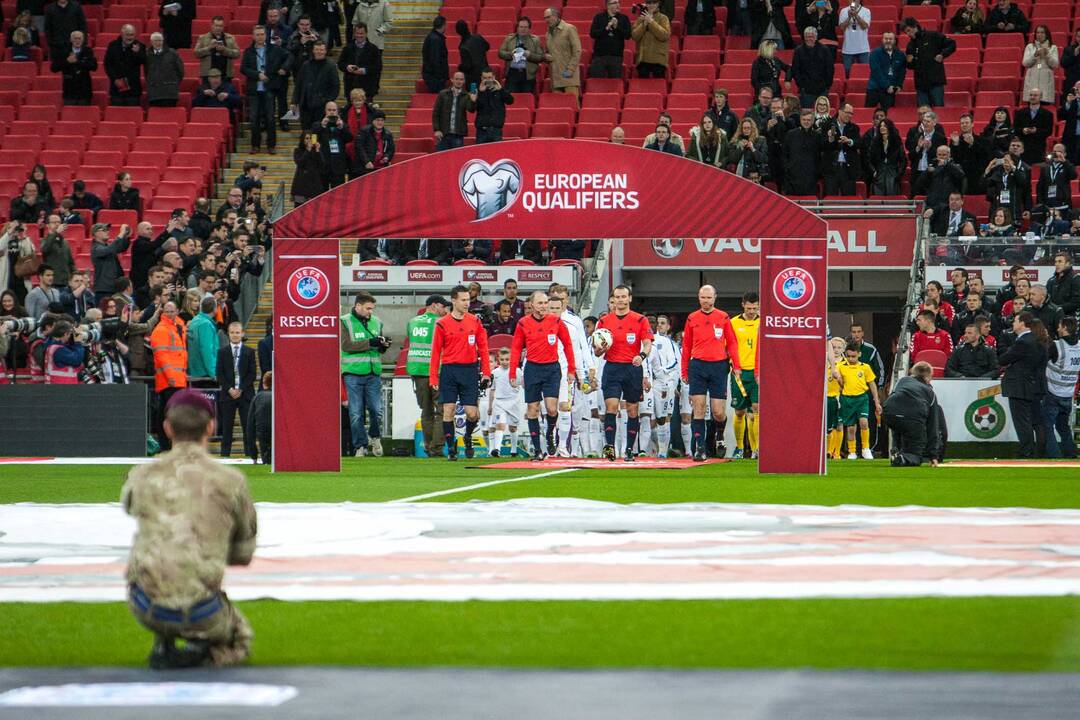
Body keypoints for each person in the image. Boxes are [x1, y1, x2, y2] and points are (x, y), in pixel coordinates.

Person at [123, 389, 256, 669]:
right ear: (211, 427)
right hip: (201, 610)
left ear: (167, 428)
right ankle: (204, 655)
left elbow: (130, 507)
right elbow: (243, 553)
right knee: (240, 637)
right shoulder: (230, 481)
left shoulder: (142, 474)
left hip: (143, 603)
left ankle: (165, 641)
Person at [509, 291, 576, 460]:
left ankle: (549, 433)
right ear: (531, 305)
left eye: (545, 303)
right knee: (533, 409)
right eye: (540, 303)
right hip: (532, 368)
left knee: (552, 409)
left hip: (552, 368)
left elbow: (568, 345)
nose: (544, 306)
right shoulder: (523, 323)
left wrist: (571, 369)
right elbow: (516, 348)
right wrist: (512, 371)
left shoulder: (556, 321)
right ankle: (538, 450)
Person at [430, 285, 492, 461]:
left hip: (469, 370)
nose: (467, 303)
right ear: (454, 300)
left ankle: (467, 437)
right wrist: (434, 376)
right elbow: (435, 352)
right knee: (448, 410)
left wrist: (486, 372)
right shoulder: (442, 323)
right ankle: (451, 449)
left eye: (468, 299)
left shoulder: (475, 321)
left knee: (472, 413)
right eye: (463, 300)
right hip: (449, 370)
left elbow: (484, 348)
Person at [680, 284, 739, 461]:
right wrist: (685, 370)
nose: (705, 301)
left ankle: (719, 437)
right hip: (697, 366)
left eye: (709, 298)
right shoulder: (692, 318)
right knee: (699, 408)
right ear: (699, 298)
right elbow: (687, 346)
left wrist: (737, 365)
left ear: (715, 298)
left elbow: (732, 342)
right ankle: (700, 448)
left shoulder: (723, 317)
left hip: (718, 366)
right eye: (702, 298)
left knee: (718, 411)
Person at [596, 284, 653, 462]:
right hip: (612, 368)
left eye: (623, 297)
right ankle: (610, 447)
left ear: (629, 298)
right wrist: (599, 349)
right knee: (611, 407)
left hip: (632, 369)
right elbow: (597, 350)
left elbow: (647, 343)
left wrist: (641, 356)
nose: (620, 300)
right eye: (617, 297)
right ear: (613, 300)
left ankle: (629, 449)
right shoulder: (605, 321)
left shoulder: (640, 320)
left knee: (633, 410)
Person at [340, 291, 389, 457]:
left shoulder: (377, 322)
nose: (371, 312)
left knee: (377, 410)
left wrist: (383, 345)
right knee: (355, 413)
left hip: (373, 373)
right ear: (358, 306)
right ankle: (360, 446)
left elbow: (378, 347)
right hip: (352, 374)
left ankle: (375, 437)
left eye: (372, 308)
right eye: (368, 308)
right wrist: (370, 343)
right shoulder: (344, 322)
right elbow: (346, 345)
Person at [999, 312, 1045, 458]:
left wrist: (1007, 354)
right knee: (1035, 420)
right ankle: (1037, 451)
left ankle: (1026, 451)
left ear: (1023, 323)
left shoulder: (1023, 342)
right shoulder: (1038, 340)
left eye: (1015, 321)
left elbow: (1004, 359)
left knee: (1022, 421)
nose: (1013, 323)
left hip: (1019, 386)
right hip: (1032, 385)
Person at [406, 295, 447, 457]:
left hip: (417, 371)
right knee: (441, 410)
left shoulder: (413, 321)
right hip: (436, 371)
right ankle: (437, 448)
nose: (445, 310)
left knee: (426, 410)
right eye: (443, 307)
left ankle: (428, 447)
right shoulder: (441, 323)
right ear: (435, 306)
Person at [241, 25, 290, 154]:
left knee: (270, 118)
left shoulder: (274, 49)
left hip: (269, 88)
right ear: (253, 36)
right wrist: (257, 75)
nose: (260, 37)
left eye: (262, 34)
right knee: (254, 118)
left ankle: (271, 145)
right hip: (254, 90)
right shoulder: (248, 51)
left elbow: (290, 57)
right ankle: (255, 145)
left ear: (266, 35)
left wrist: (284, 68)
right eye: (257, 34)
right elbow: (243, 69)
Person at [882, 361, 940, 467]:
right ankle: (903, 458)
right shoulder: (930, 393)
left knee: (898, 424)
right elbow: (933, 426)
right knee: (916, 455)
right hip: (913, 416)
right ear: (927, 377)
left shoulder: (902, 381)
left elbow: (894, 398)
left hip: (889, 412)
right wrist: (933, 455)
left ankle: (897, 453)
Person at [216, 321, 256, 459]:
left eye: (237, 332)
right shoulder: (222, 352)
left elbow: (252, 374)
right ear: (228, 334)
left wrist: (240, 389)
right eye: (232, 332)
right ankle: (224, 456)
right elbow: (219, 374)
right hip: (228, 395)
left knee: (247, 426)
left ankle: (251, 456)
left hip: (245, 395)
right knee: (227, 427)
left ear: (242, 334)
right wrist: (229, 389)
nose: (235, 335)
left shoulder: (250, 352)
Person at [728, 292, 760, 460]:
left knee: (757, 410)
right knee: (740, 411)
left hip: (758, 373)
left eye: (755, 308)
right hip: (739, 373)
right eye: (749, 307)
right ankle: (739, 447)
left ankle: (757, 449)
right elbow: (727, 346)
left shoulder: (763, 323)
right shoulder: (733, 323)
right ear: (743, 305)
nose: (752, 311)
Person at [837, 341, 881, 459]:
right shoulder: (840, 367)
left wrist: (876, 401)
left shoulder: (865, 367)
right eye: (848, 356)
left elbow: (872, 384)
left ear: (859, 354)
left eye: (853, 356)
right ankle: (852, 451)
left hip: (862, 398)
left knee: (863, 422)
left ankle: (865, 449)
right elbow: (838, 383)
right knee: (851, 428)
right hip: (847, 399)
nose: (851, 359)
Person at [1043, 316, 1079, 458]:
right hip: (1068, 393)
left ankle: (1054, 456)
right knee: (1063, 427)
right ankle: (1070, 455)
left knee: (1048, 426)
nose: (1058, 329)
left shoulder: (1057, 346)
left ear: (1064, 328)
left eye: (1059, 326)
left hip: (1053, 392)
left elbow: (1042, 361)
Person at [901, 17, 955, 108]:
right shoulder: (910, 45)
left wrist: (943, 54)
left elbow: (952, 44)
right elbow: (911, 66)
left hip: (936, 81)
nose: (908, 34)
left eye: (909, 30)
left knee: (939, 109)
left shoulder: (932, 36)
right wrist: (909, 62)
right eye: (906, 32)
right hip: (920, 84)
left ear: (915, 26)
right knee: (923, 113)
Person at [292, 41, 340, 131]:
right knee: (306, 133)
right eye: (317, 50)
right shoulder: (306, 65)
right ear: (313, 51)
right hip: (305, 106)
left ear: (325, 51)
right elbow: (299, 84)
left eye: (321, 50)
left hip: (322, 107)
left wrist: (327, 102)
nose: (319, 52)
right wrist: (294, 101)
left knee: (319, 132)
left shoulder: (330, 66)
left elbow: (335, 87)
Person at [312, 101, 353, 188]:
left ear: (337, 112)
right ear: (325, 111)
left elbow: (350, 138)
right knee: (322, 194)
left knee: (338, 194)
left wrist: (341, 127)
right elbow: (313, 140)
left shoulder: (343, 126)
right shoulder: (317, 125)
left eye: (334, 110)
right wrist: (322, 125)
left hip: (338, 167)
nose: (331, 112)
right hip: (323, 166)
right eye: (329, 110)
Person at [543, 7, 582, 96]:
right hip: (555, 78)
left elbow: (577, 51)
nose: (546, 20)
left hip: (569, 76)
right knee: (558, 108)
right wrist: (546, 56)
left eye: (548, 17)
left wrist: (570, 69)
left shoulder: (569, 28)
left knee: (572, 106)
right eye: (545, 18)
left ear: (556, 16)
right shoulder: (548, 34)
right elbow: (548, 52)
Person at [822, 102, 860, 196]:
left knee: (849, 201)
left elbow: (860, 143)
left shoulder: (854, 128)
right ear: (839, 111)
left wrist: (849, 141)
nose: (849, 115)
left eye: (851, 113)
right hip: (831, 168)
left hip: (848, 170)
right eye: (847, 112)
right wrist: (830, 139)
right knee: (830, 199)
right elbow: (822, 145)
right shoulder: (827, 125)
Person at [104, 24, 146, 106]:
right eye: (127, 34)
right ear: (122, 34)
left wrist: (137, 53)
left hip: (133, 89)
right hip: (117, 88)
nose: (129, 37)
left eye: (132, 35)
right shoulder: (113, 45)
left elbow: (143, 61)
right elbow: (107, 64)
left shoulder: (140, 46)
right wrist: (115, 79)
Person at [782, 109, 822, 195]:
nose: (806, 122)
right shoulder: (791, 134)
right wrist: (788, 167)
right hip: (792, 177)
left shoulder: (817, 136)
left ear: (812, 121)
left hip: (811, 177)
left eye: (808, 120)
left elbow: (819, 156)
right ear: (800, 120)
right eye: (804, 120)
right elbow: (785, 153)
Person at [432, 71, 475, 151]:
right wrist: (437, 129)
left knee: (456, 160)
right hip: (443, 133)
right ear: (452, 80)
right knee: (442, 159)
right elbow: (436, 112)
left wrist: (473, 100)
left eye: (461, 79)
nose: (459, 81)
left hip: (458, 134)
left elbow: (471, 110)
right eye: (457, 79)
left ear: (464, 81)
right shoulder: (443, 94)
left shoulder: (466, 95)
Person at [339, 22, 383, 100]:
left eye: (361, 33)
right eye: (357, 33)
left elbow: (378, 66)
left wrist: (364, 70)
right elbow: (340, 63)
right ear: (354, 33)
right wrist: (347, 67)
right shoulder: (347, 48)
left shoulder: (374, 49)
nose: (359, 35)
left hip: (367, 89)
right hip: (350, 87)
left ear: (366, 33)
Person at [499, 17, 543, 93]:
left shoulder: (535, 40)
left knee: (527, 99)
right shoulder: (509, 39)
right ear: (517, 28)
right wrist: (510, 54)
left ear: (529, 29)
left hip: (528, 75)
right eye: (521, 27)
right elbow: (500, 53)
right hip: (512, 73)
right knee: (511, 100)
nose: (523, 29)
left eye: (526, 27)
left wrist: (530, 55)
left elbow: (541, 57)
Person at [51, 29, 96, 105]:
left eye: (79, 38)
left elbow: (94, 66)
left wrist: (78, 62)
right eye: (75, 38)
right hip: (69, 90)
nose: (77, 41)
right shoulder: (64, 51)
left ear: (83, 40)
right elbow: (54, 68)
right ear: (71, 40)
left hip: (84, 91)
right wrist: (67, 61)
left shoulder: (88, 51)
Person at [791, 26, 833, 107]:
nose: (809, 39)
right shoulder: (798, 50)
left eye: (811, 36)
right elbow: (795, 69)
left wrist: (827, 85)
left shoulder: (824, 50)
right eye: (807, 36)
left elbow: (830, 69)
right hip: (806, 89)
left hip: (822, 88)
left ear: (816, 37)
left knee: (823, 112)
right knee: (806, 112)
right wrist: (801, 85)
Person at [589, 0, 631, 78]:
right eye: (614, 3)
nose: (618, 5)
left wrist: (616, 27)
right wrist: (606, 28)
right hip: (599, 56)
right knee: (597, 83)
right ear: (607, 5)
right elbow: (593, 34)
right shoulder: (599, 17)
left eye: (618, 2)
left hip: (616, 56)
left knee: (615, 82)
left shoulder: (624, 18)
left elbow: (628, 35)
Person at [194, 15, 241, 81]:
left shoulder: (230, 38)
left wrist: (224, 50)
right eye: (216, 25)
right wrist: (209, 47)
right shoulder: (202, 38)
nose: (218, 28)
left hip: (225, 75)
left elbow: (238, 53)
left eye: (220, 26)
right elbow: (196, 53)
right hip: (207, 75)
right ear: (212, 25)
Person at [630, 0, 670, 79]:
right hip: (643, 59)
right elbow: (634, 36)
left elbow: (664, 35)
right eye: (649, 3)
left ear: (658, 4)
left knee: (658, 86)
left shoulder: (663, 18)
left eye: (654, 3)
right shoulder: (640, 19)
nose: (651, 5)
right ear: (646, 4)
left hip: (659, 60)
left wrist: (651, 22)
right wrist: (644, 24)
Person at [144, 31, 184, 108]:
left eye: (160, 40)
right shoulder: (147, 55)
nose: (158, 43)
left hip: (170, 92)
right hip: (154, 92)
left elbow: (180, 72)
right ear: (151, 42)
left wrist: (173, 83)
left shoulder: (173, 53)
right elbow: (146, 72)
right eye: (156, 40)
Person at [473, 67, 513, 144]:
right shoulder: (476, 90)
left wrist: (501, 90)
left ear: (494, 77)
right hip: (482, 130)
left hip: (496, 130)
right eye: (485, 78)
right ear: (481, 78)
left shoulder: (500, 89)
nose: (487, 80)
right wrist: (481, 93)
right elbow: (474, 108)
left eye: (489, 77)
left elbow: (510, 101)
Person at [90, 222, 132, 295]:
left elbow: (121, 248)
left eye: (107, 230)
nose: (107, 232)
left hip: (113, 287)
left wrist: (126, 236)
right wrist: (121, 234)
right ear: (96, 233)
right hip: (104, 289)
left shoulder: (108, 246)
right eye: (104, 230)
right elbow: (109, 250)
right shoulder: (96, 248)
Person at [867, 117, 905, 195]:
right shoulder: (875, 141)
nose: (882, 128)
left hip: (892, 173)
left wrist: (898, 173)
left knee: (892, 196)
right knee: (878, 197)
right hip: (879, 173)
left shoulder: (896, 141)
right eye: (881, 126)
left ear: (889, 127)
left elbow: (903, 160)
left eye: (884, 126)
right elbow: (869, 159)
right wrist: (873, 172)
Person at [1014, 88, 1054, 165]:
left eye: (1035, 95)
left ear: (1040, 97)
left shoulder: (1048, 114)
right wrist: (1022, 130)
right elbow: (1015, 128)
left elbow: (1049, 131)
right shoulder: (1020, 113)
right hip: (1023, 147)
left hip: (1038, 147)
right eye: (1031, 95)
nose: (1032, 97)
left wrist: (1036, 131)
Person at [1022, 26, 1058, 105]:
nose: (1040, 34)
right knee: (1032, 104)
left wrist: (1047, 54)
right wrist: (1035, 55)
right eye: (1038, 32)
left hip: (1046, 79)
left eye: (1042, 32)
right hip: (1032, 78)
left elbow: (1055, 65)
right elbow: (1025, 63)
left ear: (1046, 34)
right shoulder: (1030, 47)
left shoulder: (1053, 47)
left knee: (1044, 106)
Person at [727, 118, 769, 183]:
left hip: (756, 176)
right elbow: (732, 159)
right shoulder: (735, 142)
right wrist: (740, 148)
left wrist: (753, 149)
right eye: (744, 128)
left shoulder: (761, 140)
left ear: (752, 129)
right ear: (741, 129)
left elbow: (763, 159)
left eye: (748, 128)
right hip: (741, 175)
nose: (746, 130)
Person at [355, 109, 395, 174]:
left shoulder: (388, 134)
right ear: (373, 121)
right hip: (366, 168)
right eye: (378, 120)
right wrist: (366, 161)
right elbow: (359, 148)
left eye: (382, 120)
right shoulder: (364, 131)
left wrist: (387, 157)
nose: (380, 122)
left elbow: (391, 149)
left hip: (381, 168)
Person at [837, 0, 870, 75]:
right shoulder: (843, 11)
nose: (853, 1)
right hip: (848, 48)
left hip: (863, 48)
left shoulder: (866, 11)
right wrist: (849, 18)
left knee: (865, 72)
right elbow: (842, 28)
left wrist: (856, 16)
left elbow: (865, 26)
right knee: (847, 72)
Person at [456, 18, 489, 89]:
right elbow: (487, 47)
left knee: (473, 96)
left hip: (472, 79)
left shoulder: (463, 47)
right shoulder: (478, 37)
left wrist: (459, 67)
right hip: (485, 74)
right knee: (486, 96)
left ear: (458, 32)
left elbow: (467, 66)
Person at [248, 371, 273, 464]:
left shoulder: (257, 397)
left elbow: (250, 426)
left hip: (263, 432)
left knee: (266, 460)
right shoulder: (280, 397)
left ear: (263, 383)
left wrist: (253, 455)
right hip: (278, 434)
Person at [421, 14, 448, 92]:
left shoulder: (432, 37)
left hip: (432, 75)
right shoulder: (436, 39)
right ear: (443, 25)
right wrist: (441, 77)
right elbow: (435, 59)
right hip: (435, 78)